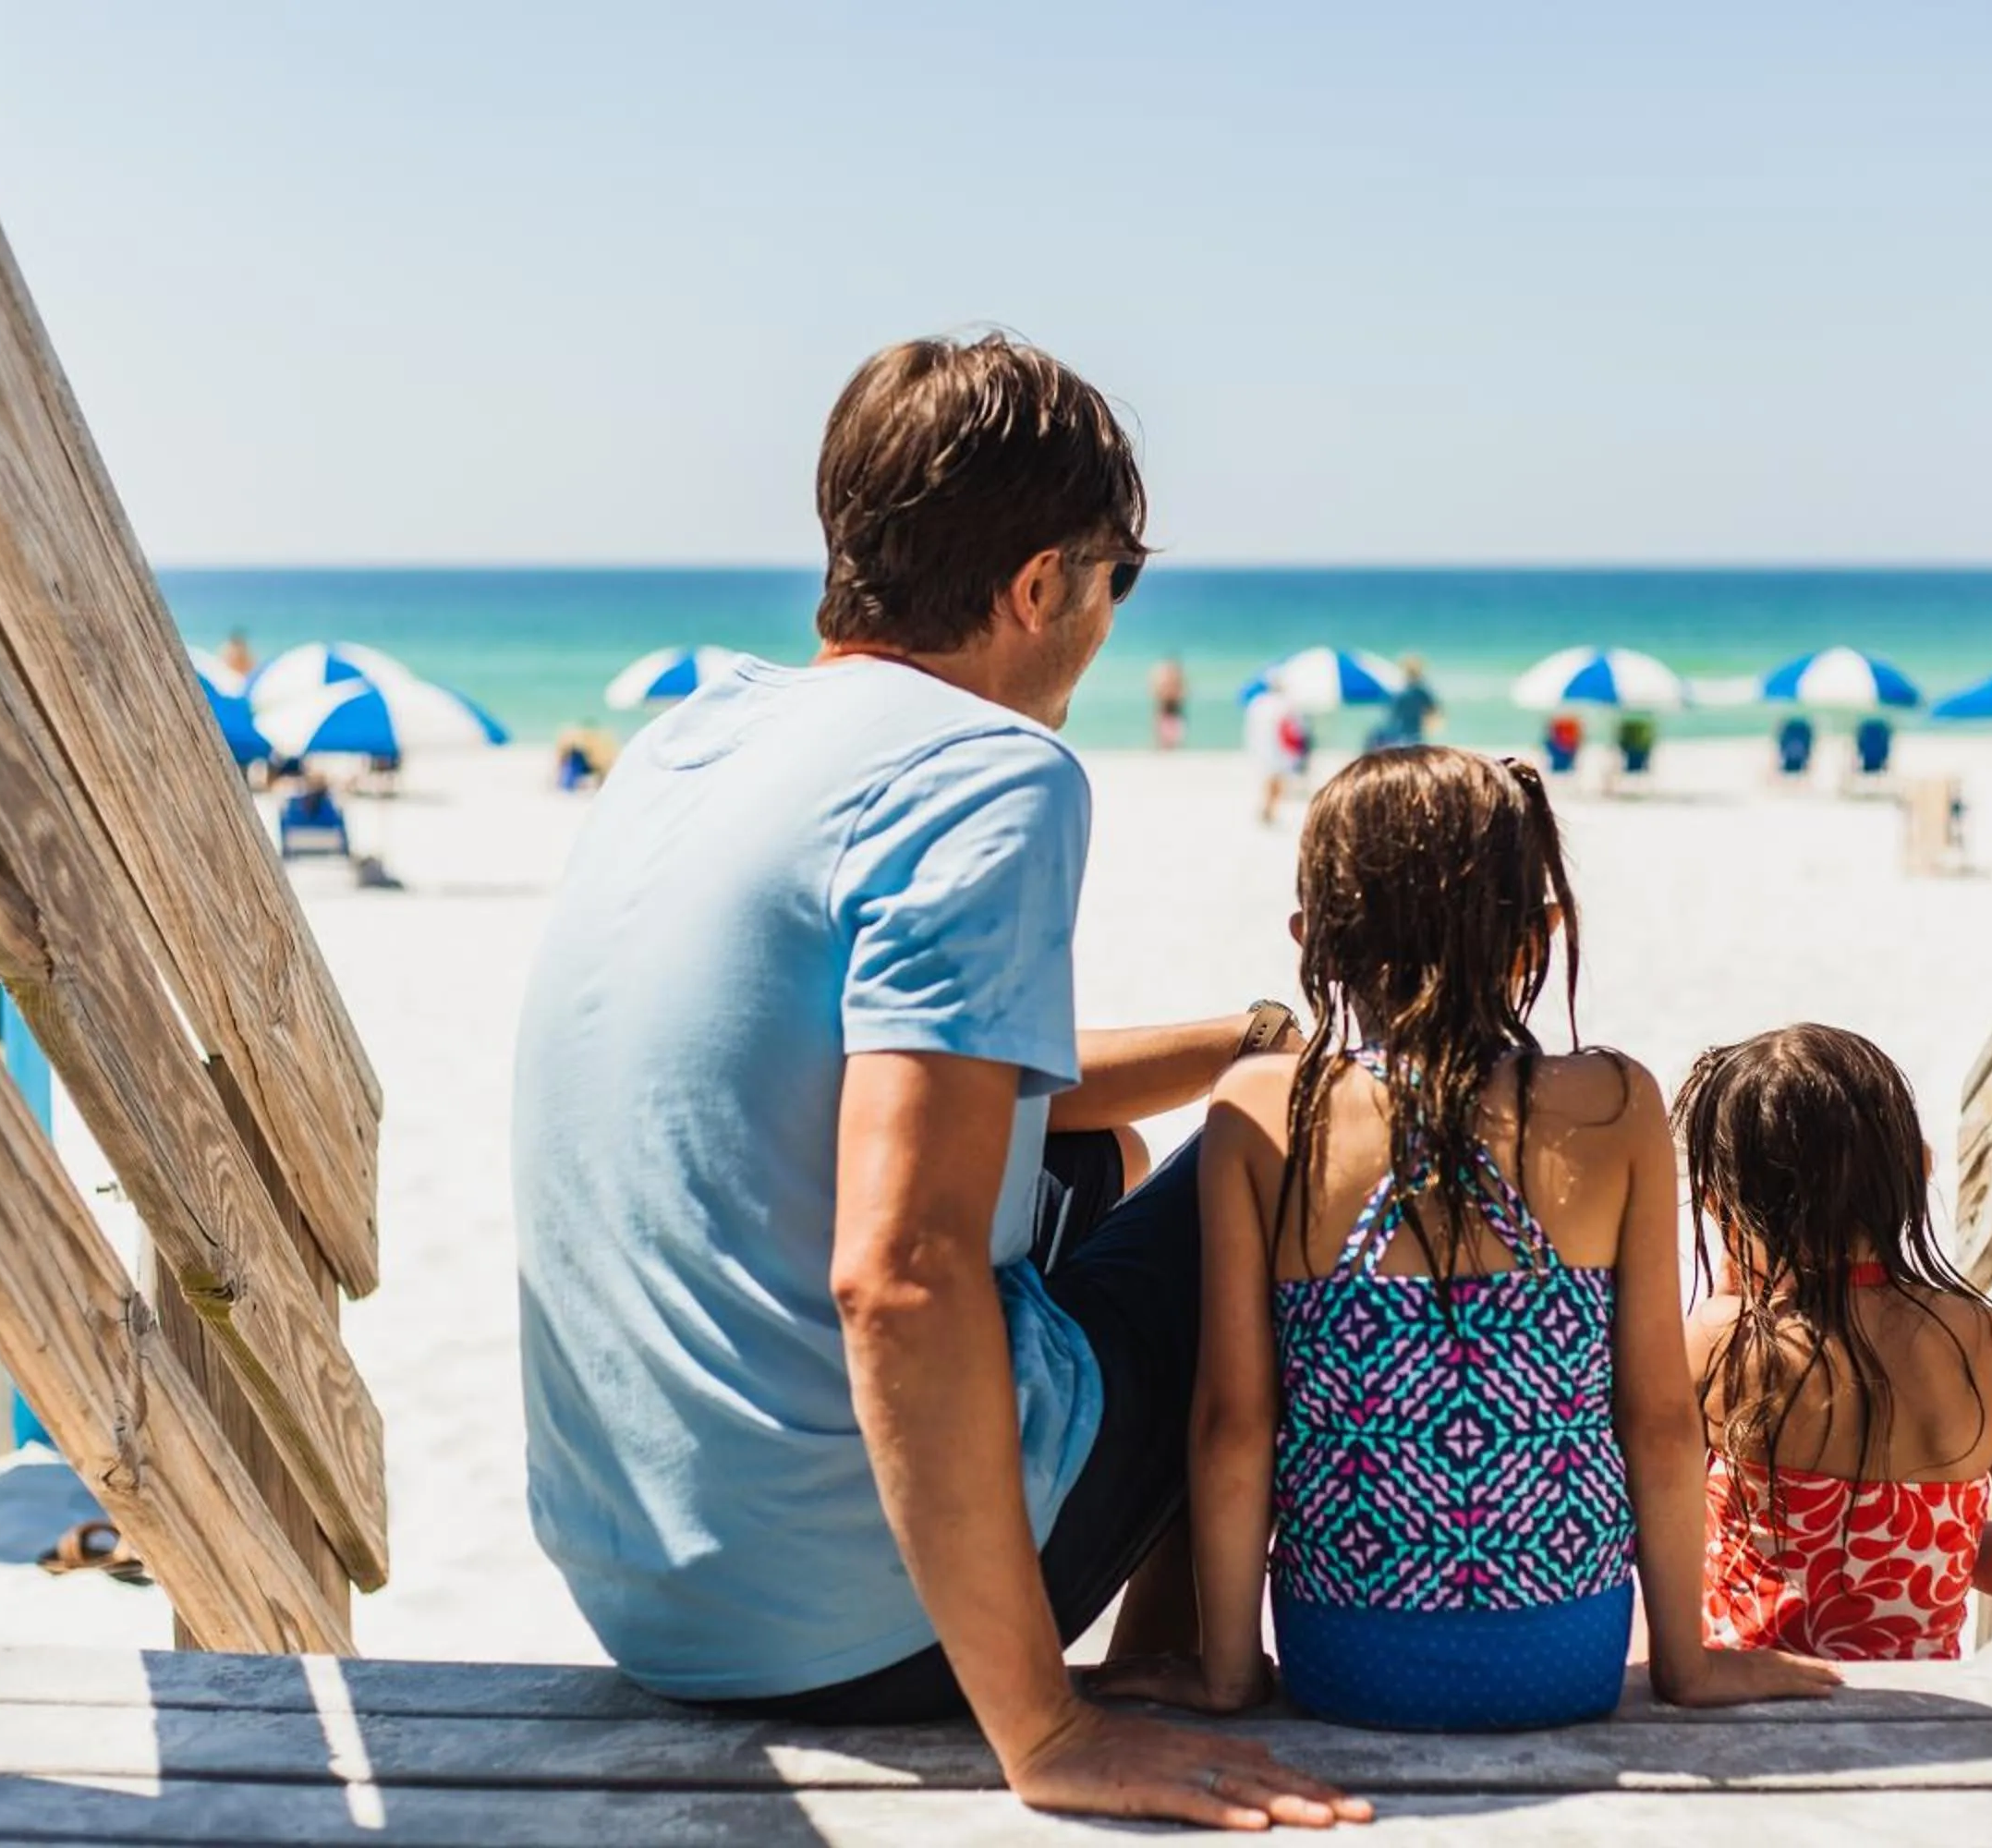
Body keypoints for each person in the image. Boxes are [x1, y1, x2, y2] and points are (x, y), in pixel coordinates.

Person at [511, 334, 1367, 1831]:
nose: (1107, 622)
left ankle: (1148, 1626)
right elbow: (900, 1274)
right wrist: (1045, 1732)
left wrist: (1246, 1037)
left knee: (1098, 1159)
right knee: (1267, 1146)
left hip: (647, 1595)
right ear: (1040, 585)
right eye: (1117, 579)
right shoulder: (986, 773)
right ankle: (1181, 1662)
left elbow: (936, 1093)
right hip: (854, 1631)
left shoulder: (688, 745)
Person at [1088, 749, 1839, 1730]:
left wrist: (1230, 1671)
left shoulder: (1263, 1111)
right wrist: (1686, 1662)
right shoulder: (1616, 1103)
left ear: (1310, 937)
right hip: (1563, 1654)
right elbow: (1657, 1416)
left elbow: (1236, 1417)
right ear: (1537, 939)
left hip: (1343, 1653)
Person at [1677, 1026, 1992, 1660]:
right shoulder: (1984, 1344)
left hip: (1751, 1727)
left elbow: (1633, 1531)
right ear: (1915, 1172)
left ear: (1723, 1203)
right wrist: (1913, 1542)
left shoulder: (1720, 1343)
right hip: (1921, 1725)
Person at [1245, 678, 1304, 826]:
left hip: (1260, 747)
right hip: (1277, 749)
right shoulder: (1283, 704)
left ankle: (1267, 810)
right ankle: (1269, 811)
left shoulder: (1257, 703)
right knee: (1277, 781)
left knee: (1268, 780)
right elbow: (1291, 728)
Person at [1368, 654, 1442, 750]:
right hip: (1405, 731)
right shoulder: (1412, 689)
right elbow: (1434, 711)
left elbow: (1434, 711)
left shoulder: (1409, 690)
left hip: (1404, 732)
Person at [1149, 655, 1187, 750]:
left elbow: (1183, 693)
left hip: (1173, 709)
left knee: (1172, 737)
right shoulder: (1167, 680)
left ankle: (1167, 750)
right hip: (1167, 709)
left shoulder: (1176, 679)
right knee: (1163, 737)